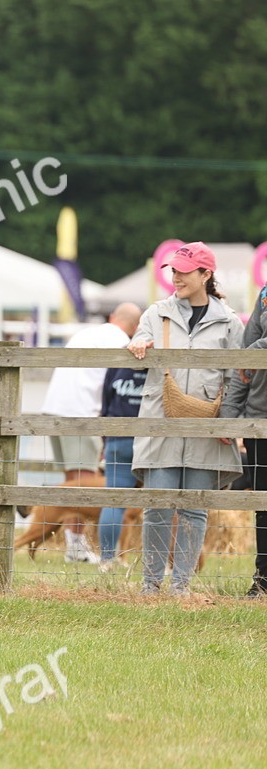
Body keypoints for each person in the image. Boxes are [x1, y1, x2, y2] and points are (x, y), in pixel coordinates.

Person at [128, 242, 243, 596]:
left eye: (184, 271)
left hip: (207, 423)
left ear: (206, 275)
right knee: (158, 505)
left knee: (194, 509)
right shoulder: (156, 313)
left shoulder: (229, 322)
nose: (176, 277)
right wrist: (139, 345)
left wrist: (229, 421)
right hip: (160, 419)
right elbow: (139, 340)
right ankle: (150, 586)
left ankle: (181, 586)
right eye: (173, 271)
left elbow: (238, 375)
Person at [41, 302, 141, 563]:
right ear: (135, 327)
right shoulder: (121, 343)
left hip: (54, 408)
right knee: (84, 481)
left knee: (71, 479)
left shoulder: (85, 333)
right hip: (81, 413)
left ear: (112, 317)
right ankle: (76, 546)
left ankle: (74, 542)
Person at [219, 281, 267, 598]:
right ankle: (263, 578)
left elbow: (253, 350)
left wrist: (259, 349)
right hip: (260, 417)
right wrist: (230, 413)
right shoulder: (265, 294)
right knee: (263, 504)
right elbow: (243, 366)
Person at [97, 363, 146, 572]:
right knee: (161, 501)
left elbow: (105, 403)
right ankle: (160, 564)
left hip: (118, 437)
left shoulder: (118, 361)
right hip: (152, 438)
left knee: (114, 501)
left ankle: (106, 560)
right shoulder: (163, 359)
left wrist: (105, 439)